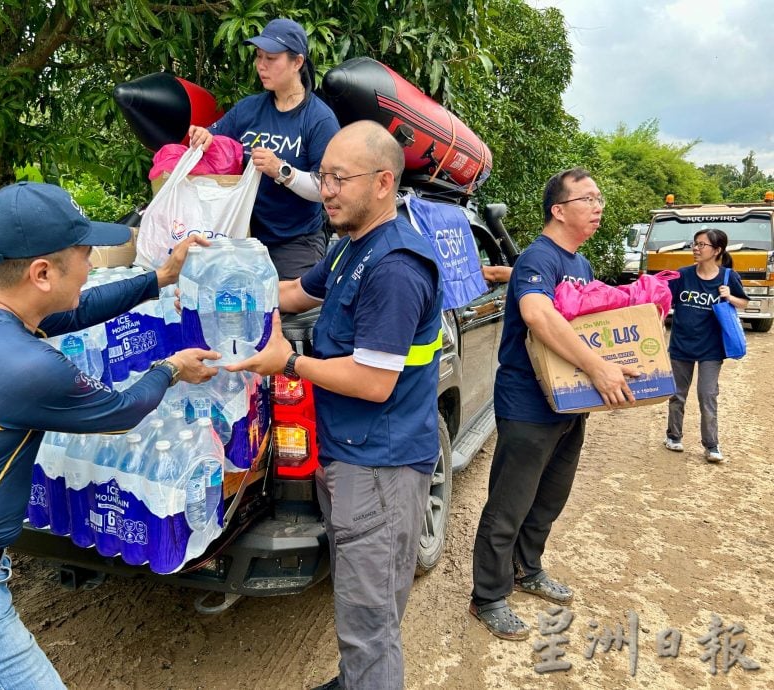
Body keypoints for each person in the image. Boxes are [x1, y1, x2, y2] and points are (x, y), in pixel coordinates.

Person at [0, 182, 219, 688]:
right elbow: (123, 410)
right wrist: (171, 368)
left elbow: (71, 311)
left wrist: (158, 277)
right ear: (41, 273)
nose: (92, 267)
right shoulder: (25, 367)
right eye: (86, 256)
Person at [227, 120, 442, 690]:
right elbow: (298, 292)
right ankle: (354, 680)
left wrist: (288, 363)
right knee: (357, 595)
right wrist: (218, 289)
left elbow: (373, 382)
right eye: (323, 176)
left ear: (382, 183)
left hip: (380, 464)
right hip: (348, 451)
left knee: (370, 615)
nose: (325, 189)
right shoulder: (352, 246)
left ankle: (367, 680)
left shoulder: (394, 266)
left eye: (338, 178)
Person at [469, 168, 639, 640]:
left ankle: (528, 568)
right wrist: (600, 368)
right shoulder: (539, 258)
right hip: (529, 403)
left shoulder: (577, 263)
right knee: (511, 501)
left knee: (549, 496)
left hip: (569, 401)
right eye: (588, 198)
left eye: (599, 197)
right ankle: (488, 596)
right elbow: (537, 313)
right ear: (559, 210)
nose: (598, 205)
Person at [189, 17, 340, 281]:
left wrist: (281, 171)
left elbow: (325, 189)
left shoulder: (319, 119)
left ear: (297, 62)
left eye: (271, 58)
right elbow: (215, 140)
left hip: (295, 242)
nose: (261, 66)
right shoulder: (248, 109)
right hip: (242, 236)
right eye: (259, 57)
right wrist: (203, 136)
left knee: (289, 313)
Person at [663, 228, 747, 463]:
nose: (696, 248)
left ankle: (711, 445)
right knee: (677, 395)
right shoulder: (683, 275)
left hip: (711, 349)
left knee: (707, 395)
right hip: (681, 345)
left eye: (702, 245)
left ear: (717, 250)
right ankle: (673, 436)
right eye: (695, 244)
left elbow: (744, 304)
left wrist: (730, 296)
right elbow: (663, 302)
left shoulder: (728, 277)